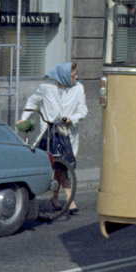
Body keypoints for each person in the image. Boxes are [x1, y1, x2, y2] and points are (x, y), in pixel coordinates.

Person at [19, 62, 87, 213]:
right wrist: (23, 118)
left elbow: (83, 111)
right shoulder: (46, 88)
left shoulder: (78, 89)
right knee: (58, 164)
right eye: (72, 76)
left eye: (75, 75)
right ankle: (69, 198)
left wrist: (71, 118)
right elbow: (32, 102)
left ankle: (57, 198)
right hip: (49, 134)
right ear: (62, 76)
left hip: (67, 133)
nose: (76, 78)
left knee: (61, 165)